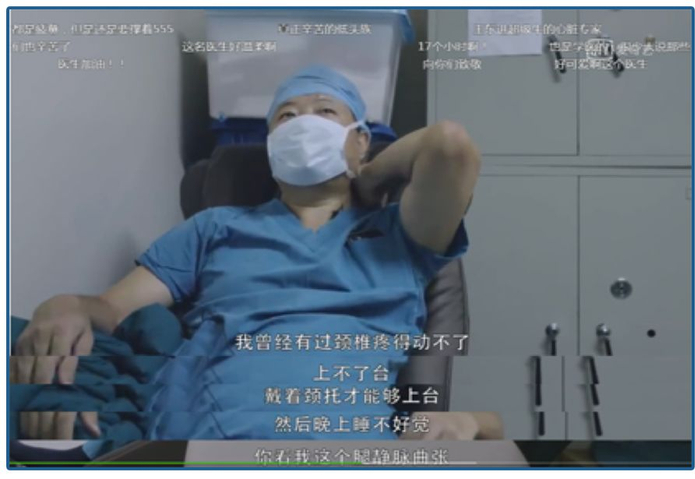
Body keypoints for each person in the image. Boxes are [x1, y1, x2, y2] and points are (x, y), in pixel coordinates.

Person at [12, 64, 494, 444]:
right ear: (270, 146)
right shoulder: (215, 227)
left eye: (325, 112)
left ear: (361, 138)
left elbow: (450, 145)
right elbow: (111, 308)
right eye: (287, 117)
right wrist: (67, 305)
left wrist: (369, 175)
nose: (303, 124)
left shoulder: (400, 234)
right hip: (210, 440)